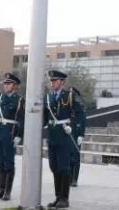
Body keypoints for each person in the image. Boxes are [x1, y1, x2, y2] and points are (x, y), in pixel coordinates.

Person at [44, 70, 85, 209]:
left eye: (55, 80)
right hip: (52, 136)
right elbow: (45, 117)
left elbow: (80, 114)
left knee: (64, 167)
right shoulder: (48, 97)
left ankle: (64, 198)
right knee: (54, 167)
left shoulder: (70, 96)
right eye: (51, 81)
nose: (52, 83)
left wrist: (73, 128)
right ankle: (57, 197)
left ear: (62, 82)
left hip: (64, 135)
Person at [0, 72, 25, 201]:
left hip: (10, 133)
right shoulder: (1, 97)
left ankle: (7, 192)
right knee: (0, 162)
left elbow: (22, 119)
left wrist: (19, 135)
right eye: (5, 83)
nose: (6, 86)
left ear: (15, 86)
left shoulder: (19, 100)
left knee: (9, 163)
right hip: (0, 132)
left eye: (9, 84)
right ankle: (1, 190)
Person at [69, 87, 87, 187]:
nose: (70, 95)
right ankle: (69, 178)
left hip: (76, 134)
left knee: (75, 158)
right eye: (69, 93)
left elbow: (83, 121)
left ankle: (74, 179)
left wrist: (81, 135)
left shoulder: (79, 107)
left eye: (72, 93)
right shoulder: (65, 106)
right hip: (67, 135)